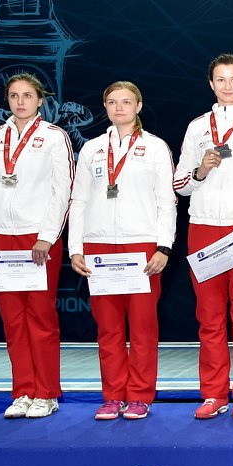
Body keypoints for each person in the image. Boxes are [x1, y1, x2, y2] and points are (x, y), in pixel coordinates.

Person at [68, 81, 176, 420]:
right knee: (108, 328)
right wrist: (75, 248)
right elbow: (79, 200)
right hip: (99, 246)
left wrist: (164, 247)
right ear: (105, 106)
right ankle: (113, 395)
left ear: (139, 106)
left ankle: (141, 395)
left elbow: (166, 201)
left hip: (141, 247)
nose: (119, 108)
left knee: (143, 327)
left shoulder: (156, 148)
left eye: (126, 102)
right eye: (112, 102)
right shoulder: (92, 149)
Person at [0, 72, 73, 419]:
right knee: (13, 321)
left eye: (27, 95)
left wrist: (48, 234)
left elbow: (63, 190)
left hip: (37, 238)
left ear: (40, 99)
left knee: (41, 318)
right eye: (14, 95)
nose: (20, 102)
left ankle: (46, 392)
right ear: (7, 100)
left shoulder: (54, 137)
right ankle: (23, 391)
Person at [174, 53, 233, 420]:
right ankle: (213, 393)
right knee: (210, 318)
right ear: (210, 83)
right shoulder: (197, 127)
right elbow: (179, 184)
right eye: (220, 79)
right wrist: (201, 171)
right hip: (202, 228)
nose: (227, 86)